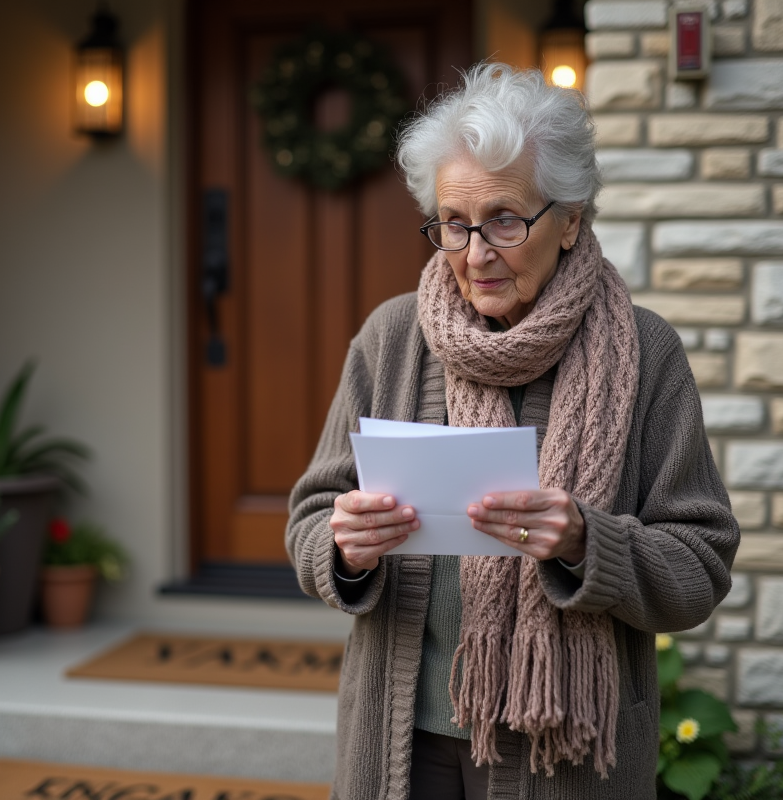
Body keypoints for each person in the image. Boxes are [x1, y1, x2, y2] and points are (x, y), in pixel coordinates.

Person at [286, 64, 740, 800]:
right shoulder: (391, 338)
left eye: (504, 219)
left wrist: (589, 541)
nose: (474, 252)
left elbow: (701, 567)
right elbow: (312, 515)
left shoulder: (647, 354)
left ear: (569, 220)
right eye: (454, 223)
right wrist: (342, 548)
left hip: (568, 757)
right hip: (402, 743)